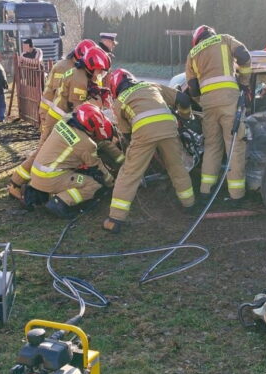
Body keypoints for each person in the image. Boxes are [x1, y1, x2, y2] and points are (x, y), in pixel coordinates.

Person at [7, 40, 119, 202]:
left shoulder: (80, 73)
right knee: (41, 153)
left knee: (49, 153)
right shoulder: (78, 78)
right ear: (91, 64)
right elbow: (79, 109)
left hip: (63, 119)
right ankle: (16, 183)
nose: (101, 74)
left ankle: (35, 184)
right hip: (59, 120)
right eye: (100, 70)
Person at [102, 69, 195, 234]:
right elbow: (183, 99)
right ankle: (190, 205)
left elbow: (127, 135)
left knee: (129, 174)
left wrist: (137, 151)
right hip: (169, 128)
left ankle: (115, 219)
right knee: (177, 167)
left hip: (143, 134)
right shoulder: (151, 85)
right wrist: (186, 117)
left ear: (115, 87)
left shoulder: (119, 102)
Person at [185, 25, 251, 203]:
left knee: (212, 146)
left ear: (197, 39)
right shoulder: (225, 39)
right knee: (234, 145)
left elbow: (192, 88)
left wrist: (204, 100)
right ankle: (236, 195)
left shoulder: (192, 54)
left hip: (208, 104)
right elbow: (244, 56)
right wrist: (244, 82)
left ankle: (206, 191)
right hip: (229, 99)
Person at [29, 103, 115, 218]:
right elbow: (97, 167)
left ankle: (41, 194)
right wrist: (111, 183)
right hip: (51, 178)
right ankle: (60, 202)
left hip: (35, 174)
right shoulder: (86, 144)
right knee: (93, 185)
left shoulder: (64, 122)